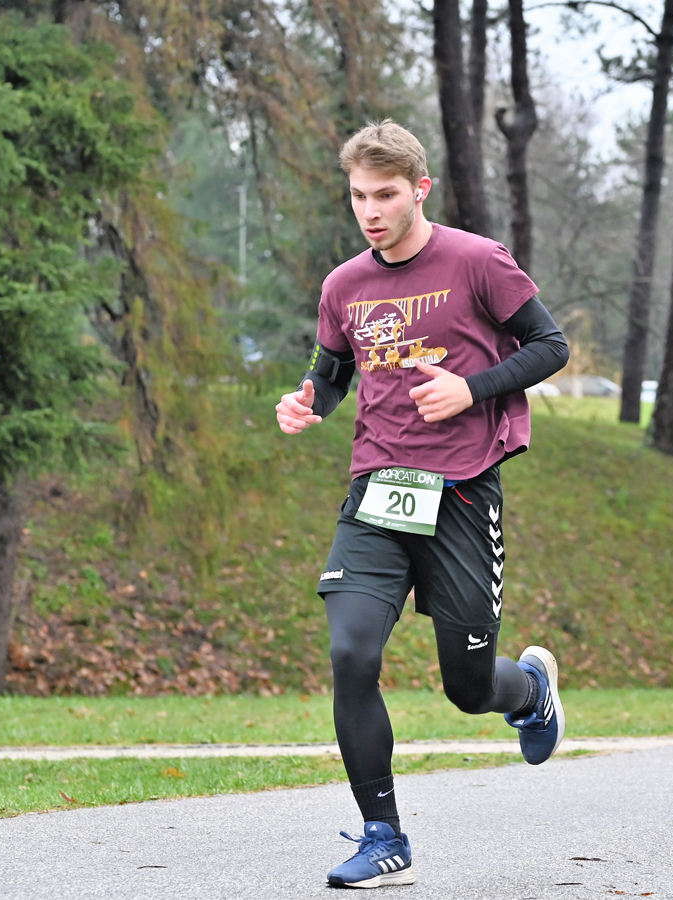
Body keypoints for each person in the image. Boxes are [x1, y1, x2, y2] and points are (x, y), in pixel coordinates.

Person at [275, 120, 570, 888]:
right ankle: (385, 837)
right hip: (377, 488)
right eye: (358, 197)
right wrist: (308, 401)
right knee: (351, 654)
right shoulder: (343, 285)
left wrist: (472, 389)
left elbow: (550, 346)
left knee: (468, 689)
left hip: (462, 491)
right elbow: (332, 372)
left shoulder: (477, 261)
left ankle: (530, 691)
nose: (370, 212)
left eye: (385, 195)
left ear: (419, 189)